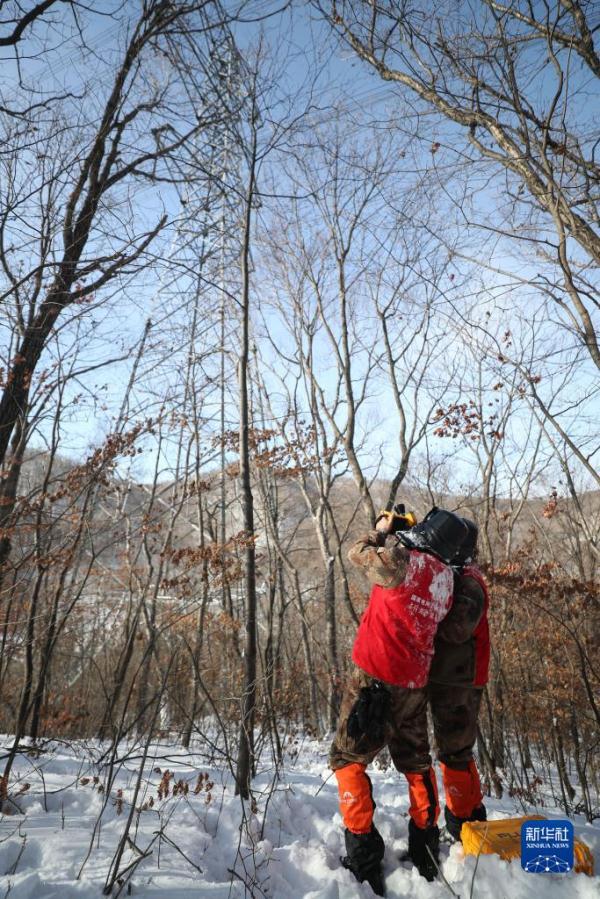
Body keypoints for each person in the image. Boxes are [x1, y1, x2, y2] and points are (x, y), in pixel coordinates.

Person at [330, 508, 469, 893]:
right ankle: (425, 847)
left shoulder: (401, 561)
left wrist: (382, 531)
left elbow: (356, 552)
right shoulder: (446, 581)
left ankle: (363, 857)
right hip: (414, 683)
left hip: (375, 678)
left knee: (348, 758)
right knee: (416, 761)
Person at [428, 518, 490, 840]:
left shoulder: (469, 583)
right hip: (457, 678)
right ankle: (473, 814)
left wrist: (426, 612)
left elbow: (456, 630)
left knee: (453, 752)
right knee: (459, 751)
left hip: (461, 682)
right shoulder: (463, 577)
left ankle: (461, 823)